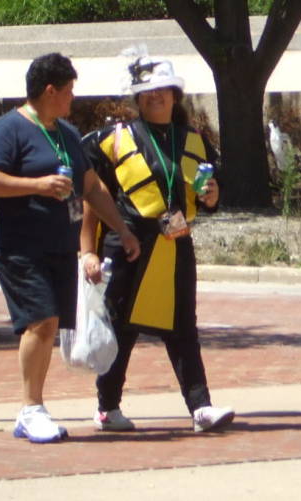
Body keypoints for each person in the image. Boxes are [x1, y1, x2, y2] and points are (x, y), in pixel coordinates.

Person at [0, 52, 141, 444]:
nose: (72, 99)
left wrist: (122, 230)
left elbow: (92, 186)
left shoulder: (64, 132)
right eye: (68, 92)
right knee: (41, 319)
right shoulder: (7, 129)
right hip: (17, 244)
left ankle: (34, 408)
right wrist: (36, 185)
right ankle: (31, 409)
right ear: (50, 91)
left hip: (57, 243)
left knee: (48, 325)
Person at [80, 53, 235, 433]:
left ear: (174, 94)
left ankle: (200, 407)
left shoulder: (195, 141)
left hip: (176, 244)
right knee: (122, 327)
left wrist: (212, 197)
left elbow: (210, 195)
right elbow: (91, 195)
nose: (154, 98)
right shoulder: (111, 141)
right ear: (137, 97)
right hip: (128, 242)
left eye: (161, 91)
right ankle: (107, 407)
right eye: (146, 92)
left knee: (183, 327)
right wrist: (87, 249)